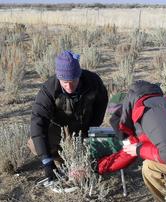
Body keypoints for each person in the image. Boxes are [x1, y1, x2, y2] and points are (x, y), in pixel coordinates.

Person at [28, 50, 108, 181]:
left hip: (84, 129)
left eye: (73, 80)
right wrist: (47, 162)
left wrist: (93, 127)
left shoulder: (93, 82)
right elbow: (38, 122)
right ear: (58, 77)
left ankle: (78, 157)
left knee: (85, 168)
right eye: (65, 82)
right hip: (60, 131)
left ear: (79, 75)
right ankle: (58, 159)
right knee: (34, 143)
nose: (69, 86)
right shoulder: (48, 90)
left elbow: (102, 102)